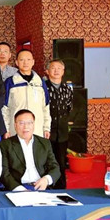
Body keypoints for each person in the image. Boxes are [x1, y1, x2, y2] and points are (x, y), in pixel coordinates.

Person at [0, 109, 60, 191]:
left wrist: (46, 179)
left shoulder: (44, 143)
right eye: (21, 123)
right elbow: (4, 173)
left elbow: (55, 168)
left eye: (29, 123)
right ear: (15, 125)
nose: (26, 127)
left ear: (34, 125)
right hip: (17, 188)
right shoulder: (5, 145)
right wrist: (19, 189)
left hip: (41, 187)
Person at [2, 48, 51, 139]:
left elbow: (45, 107)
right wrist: (6, 129)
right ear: (16, 62)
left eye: (28, 59)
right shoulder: (10, 82)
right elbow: (5, 108)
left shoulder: (40, 82)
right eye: (22, 60)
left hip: (37, 129)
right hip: (16, 129)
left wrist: (46, 128)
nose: (25, 62)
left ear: (33, 62)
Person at [45, 59, 73, 189]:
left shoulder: (67, 89)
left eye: (59, 68)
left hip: (62, 132)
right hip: (46, 131)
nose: (56, 70)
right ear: (47, 71)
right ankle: (47, 187)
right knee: (47, 161)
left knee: (61, 162)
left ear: (63, 71)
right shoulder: (42, 87)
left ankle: (61, 188)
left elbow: (69, 107)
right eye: (53, 68)